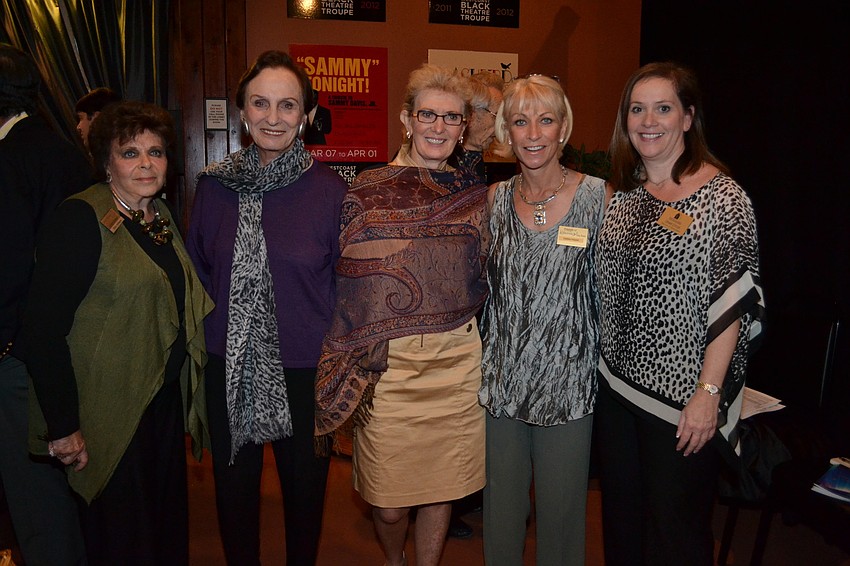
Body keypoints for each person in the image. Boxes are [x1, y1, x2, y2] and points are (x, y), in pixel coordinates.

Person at [22, 100, 213, 565]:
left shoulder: (160, 217)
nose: (146, 163)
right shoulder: (79, 219)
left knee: (162, 534)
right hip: (107, 412)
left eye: (156, 151)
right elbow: (42, 331)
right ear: (106, 162)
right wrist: (64, 427)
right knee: (123, 542)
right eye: (130, 153)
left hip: (158, 408)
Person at [315, 63, 488, 566]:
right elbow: (346, 277)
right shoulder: (366, 189)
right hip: (388, 368)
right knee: (389, 507)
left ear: (462, 130)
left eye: (451, 118)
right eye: (428, 115)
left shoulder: (474, 195)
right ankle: (395, 560)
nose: (438, 126)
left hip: (457, 362)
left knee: (442, 492)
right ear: (406, 119)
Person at [595, 61, 765, 566]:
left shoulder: (723, 198)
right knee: (622, 526)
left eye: (663, 108)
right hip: (616, 389)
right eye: (637, 109)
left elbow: (734, 306)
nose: (649, 121)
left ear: (688, 118)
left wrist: (708, 395)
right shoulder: (624, 196)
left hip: (680, 404)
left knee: (676, 533)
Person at [186, 50, 347, 566]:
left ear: (305, 116)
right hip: (229, 363)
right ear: (243, 112)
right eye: (261, 103)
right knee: (233, 493)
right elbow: (199, 275)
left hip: (305, 368)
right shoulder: (213, 187)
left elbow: (345, 286)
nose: (273, 117)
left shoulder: (333, 193)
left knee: (305, 495)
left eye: (286, 105)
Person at [478, 74, 610, 566]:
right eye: (520, 121)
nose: (533, 133)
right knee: (502, 517)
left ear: (563, 128)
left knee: (561, 520)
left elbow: (613, 297)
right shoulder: (493, 201)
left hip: (569, 387)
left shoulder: (599, 198)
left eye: (545, 120)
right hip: (503, 386)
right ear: (506, 134)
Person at [0, 42, 91, 565]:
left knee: (36, 503)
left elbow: (9, 268)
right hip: (62, 347)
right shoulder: (59, 148)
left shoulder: (11, 157)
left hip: (20, 355)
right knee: (55, 497)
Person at [451, 71, 504, 182]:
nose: (501, 126)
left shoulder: (475, 160)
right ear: (472, 113)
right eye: (496, 116)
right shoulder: (442, 160)